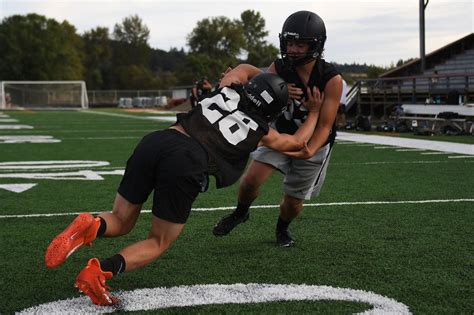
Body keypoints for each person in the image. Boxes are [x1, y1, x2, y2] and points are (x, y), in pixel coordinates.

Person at [44, 64, 323, 306]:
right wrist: (314, 112)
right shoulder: (263, 132)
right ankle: (99, 272)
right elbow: (299, 143)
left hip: (157, 140)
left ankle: (91, 224)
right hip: (187, 160)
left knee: (120, 219)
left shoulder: (227, 87)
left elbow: (244, 68)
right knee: (159, 240)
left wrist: (261, 75)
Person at [213, 10, 343, 247]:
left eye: (300, 44)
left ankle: (282, 229)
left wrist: (309, 150)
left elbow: (325, 126)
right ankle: (241, 213)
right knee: (250, 180)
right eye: (290, 42)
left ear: (316, 45)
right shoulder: (280, 67)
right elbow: (257, 87)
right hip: (281, 134)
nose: (292, 49)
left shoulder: (331, 79)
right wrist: (236, 84)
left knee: (293, 201)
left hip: (314, 141)